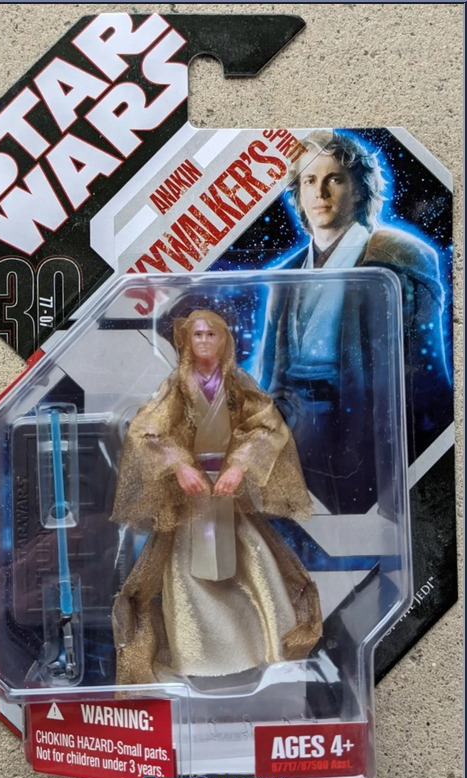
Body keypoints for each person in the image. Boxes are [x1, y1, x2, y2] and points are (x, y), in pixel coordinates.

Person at [111, 309, 322, 685]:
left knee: (253, 561)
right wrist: (180, 465)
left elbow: (268, 425)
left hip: (228, 491)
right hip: (193, 496)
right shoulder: (178, 385)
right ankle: (198, 655)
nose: (205, 341)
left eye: (212, 334)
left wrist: (239, 465)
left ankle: (265, 645)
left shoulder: (236, 383)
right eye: (198, 335)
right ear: (187, 340)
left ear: (224, 340)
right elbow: (145, 430)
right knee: (185, 572)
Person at [262, 129, 452, 513]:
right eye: (309, 181)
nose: (320, 193)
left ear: (359, 188)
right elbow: (271, 377)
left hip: (371, 436)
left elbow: (425, 378)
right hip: (299, 439)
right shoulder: (284, 276)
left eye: (334, 179)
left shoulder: (400, 257)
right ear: (298, 192)